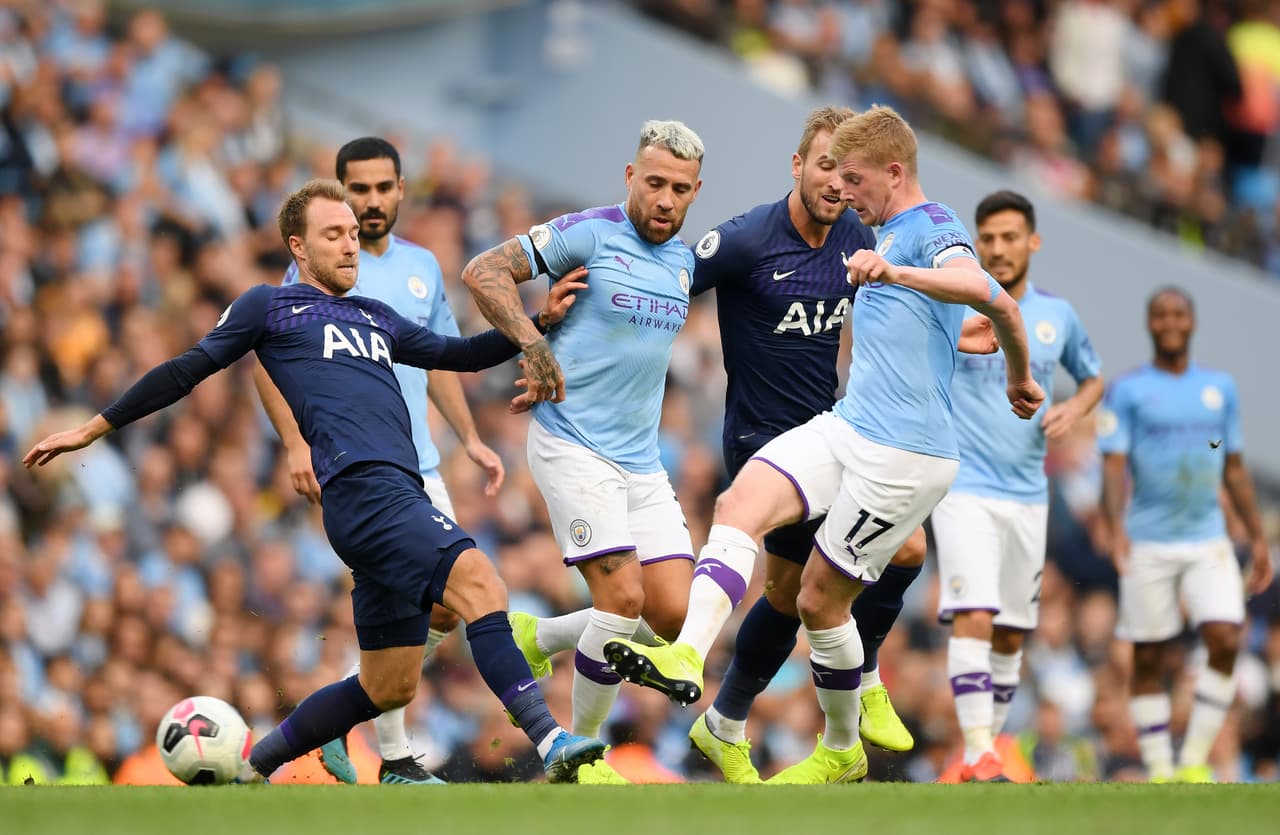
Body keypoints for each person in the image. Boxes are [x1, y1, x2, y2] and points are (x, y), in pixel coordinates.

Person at [23, 179, 605, 784]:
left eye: (354, 234)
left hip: (391, 493)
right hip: (364, 487)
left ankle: (252, 771)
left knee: (388, 683)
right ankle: (550, 737)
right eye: (334, 235)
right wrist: (94, 427)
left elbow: (457, 354)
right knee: (480, 582)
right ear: (298, 247)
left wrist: (538, 320)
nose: (351, 246)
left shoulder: (377, 316)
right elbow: (186, 369)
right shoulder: (267, 307)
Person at [627, 105, 1043, 784]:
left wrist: (1009, 368)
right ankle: (688, 660)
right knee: (738, 509)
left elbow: (988, 294)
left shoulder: (928, 227)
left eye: (854, 177)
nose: (846, 191)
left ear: (893, 172)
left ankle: (842, 743)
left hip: (906, 455)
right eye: (832, 172)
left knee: (821, 598)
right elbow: (939, 323)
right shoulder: (773, 237)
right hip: (839, 427)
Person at [253, 136, 508, 785]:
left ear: (401, 190)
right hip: (362, 466)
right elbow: (266, 356)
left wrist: (470, 435)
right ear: (338, 192)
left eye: (381, 187)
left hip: (419, 460)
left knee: (444, 608)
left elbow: (441, 356)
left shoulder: (420, 266)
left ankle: (349, 705)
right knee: (462, 587)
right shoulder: (311, 271)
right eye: (356, 189)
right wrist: (294, 441)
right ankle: (394, 756)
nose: (369, 201)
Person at [460, 120, 704, 784]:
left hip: (642, 460)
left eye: (679, 188)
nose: (664, 198)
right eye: (653, 182)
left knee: (672, 617)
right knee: (621, 596)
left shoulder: (685, 262)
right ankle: (582, 753)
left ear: (694, 193)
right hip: (571, 443)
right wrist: (535, 344)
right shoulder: (588, 233)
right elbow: (483, 272)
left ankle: (541, 636)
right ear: (631, 177)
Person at [931, 190, 1103, 782]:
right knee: (974, 613)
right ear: (976, 243)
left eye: (1010, 238)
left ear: (1033, 242)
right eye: (989, 238)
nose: (998, 249)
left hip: (1029, 495)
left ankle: (986, 755)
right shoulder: (956, 307)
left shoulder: (1058, 316)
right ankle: (978, 750)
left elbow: (1093, 378)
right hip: (963, 486)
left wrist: (1074, 409)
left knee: (1010, 632)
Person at [1098, 286, 1273, 783]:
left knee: (1225, 635)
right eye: (1160, 315)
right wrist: (1114, 530)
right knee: (1149, 654)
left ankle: (1194, 759)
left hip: (1207, 538)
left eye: (1178, 314)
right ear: (1149, 324)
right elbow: (1113, 466)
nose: (1170, 322)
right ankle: (1159, 769)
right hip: (1147, 539)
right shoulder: (1128, 389)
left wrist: (1258, 537)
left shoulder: (1219, 387)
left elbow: (1234, 467)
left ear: (1192, 323)